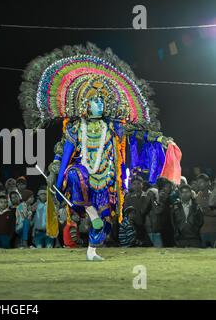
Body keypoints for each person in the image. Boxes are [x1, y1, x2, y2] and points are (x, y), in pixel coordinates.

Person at [22, 43, 180, 261]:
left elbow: (140, 134)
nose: (101, 104)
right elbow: (64, 155)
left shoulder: (114, 126)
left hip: (105, 181)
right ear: (86, 104)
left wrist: (162, 139)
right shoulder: (75, 127)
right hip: (81, 176)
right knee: (76, 175)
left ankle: (91, 251)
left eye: (103, 101)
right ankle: (89, 211)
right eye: (97, 100)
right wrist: (57, 183)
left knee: (105, 224)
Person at [196, 174, 216, 247]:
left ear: (208, 183)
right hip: (201, 232)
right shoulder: (196, 197)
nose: (199, 184)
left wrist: (203, 210)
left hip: (214, 231)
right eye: (198, 182)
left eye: (201, 182)